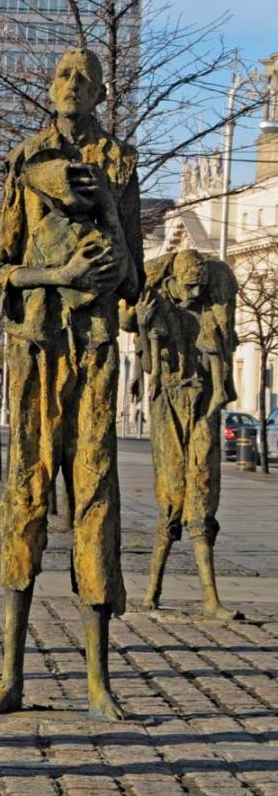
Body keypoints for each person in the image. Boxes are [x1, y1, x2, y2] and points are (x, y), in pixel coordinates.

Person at [0, 47, 140, 721]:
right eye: (61, 75)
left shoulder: (121, 163)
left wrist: (109, 219)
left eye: (83, 76)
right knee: (25, 494)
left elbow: (135, 279)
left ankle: (98, 680)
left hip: (95, 353)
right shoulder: (25, 160)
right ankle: (12, 673)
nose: (70, 84)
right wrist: (59, 276)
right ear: (49, 89)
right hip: (36, 351)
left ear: (102, 91)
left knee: (97, 496)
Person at [132, 249, 239, 617]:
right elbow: (148, 365)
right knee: (172, 497)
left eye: (201, 286)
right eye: (190, 285)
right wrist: (144, 328)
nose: (195, 293)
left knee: (203, 489)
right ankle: (152, 589)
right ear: (174, 279)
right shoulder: (160, 307)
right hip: (168, 407)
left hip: (202, 404)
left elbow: (222, 357)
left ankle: (210, 598)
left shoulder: (211, 312)